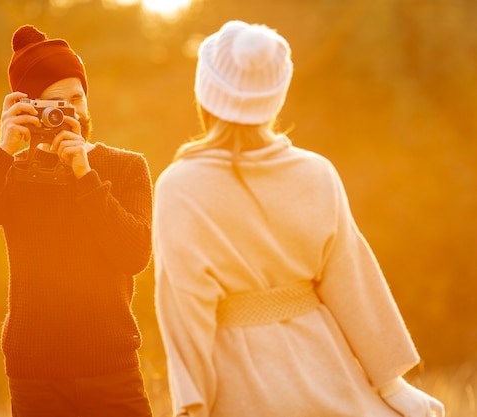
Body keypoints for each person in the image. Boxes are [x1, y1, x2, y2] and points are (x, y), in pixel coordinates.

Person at [153, 20, 444, 417]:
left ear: (205, 93)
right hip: (326, 374)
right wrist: (391, 384)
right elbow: (350, 279)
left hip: (239, 389)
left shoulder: (179, 185)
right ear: (276, 96)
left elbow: (185, 307)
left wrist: (192, 405)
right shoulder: (317, 171)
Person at [0, 24, 153, 417]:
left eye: (77, 98)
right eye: (55, 103)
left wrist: (85, 176)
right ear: (29, 109)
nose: (70, 111)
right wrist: (3, 151)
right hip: (35, 377)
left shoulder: (125, 168)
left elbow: (135, 254)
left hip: (112, 370)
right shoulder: (9, 171)